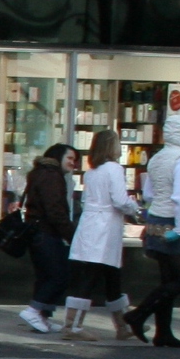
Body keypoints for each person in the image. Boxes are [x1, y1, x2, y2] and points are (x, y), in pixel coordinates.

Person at [125, 114, 180, 348]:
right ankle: (138, 315)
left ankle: (163, 333)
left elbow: (147, 194)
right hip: (172, 224)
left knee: (168, 279)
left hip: (155, 221)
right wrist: (179, 227)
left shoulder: (157, 158)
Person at [60, 128, 136, 341]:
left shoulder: (91, 172)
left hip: (90, 225)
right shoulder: (114, 169)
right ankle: (72, 326)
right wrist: (134, 207)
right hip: (106, 228)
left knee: (109, 276)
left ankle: (123, 325)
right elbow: (120, 200)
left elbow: (87, 201)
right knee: (95, 274)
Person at [17, 143, 79, 334]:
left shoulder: (40, 172)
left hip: (37, 232)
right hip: (46, 232)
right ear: (58, 157)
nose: (73, 163)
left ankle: (42, 316)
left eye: (74, 160)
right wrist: (71, 234)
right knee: (58, 275)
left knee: (45, 275)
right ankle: (34, 310)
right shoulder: (52, 176)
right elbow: (55, 211)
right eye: (69, 158)